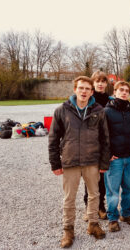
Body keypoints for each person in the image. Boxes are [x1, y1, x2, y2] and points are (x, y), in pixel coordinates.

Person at [49, 76, 110, 248]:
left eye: (87, 89)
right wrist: (55, 163)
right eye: (81, 88)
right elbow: (53, 139)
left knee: (94, 195)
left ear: (92, 92)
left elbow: (105, 139)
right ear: (75, 89)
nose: (84, 91)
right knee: (69, 198)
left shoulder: (98, 110)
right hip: (70, 161)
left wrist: (104, 163)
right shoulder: (62, 110)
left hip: (92, 161)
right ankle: (68, 230)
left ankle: (93, 224)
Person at [104, 81, 130, 232]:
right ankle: (113, 218)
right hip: (115, 159)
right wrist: (108, 154)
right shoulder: (107, 112)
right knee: (113, 191)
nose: (124, 92)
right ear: (115, 92)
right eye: (121, 90)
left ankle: (126, 214)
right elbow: (102, 135)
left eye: (127, 90)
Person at [81, 70, 113, 221]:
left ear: (106, 84)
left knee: (103, 178)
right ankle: (89, 208)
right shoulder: (88, 100)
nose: (100, 84)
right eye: (97, 81)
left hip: (106, 143)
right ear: (93, 83)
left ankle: (101, 206)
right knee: (90, 178)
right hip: (91, 144)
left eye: (103, 81)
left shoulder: (110, 100)